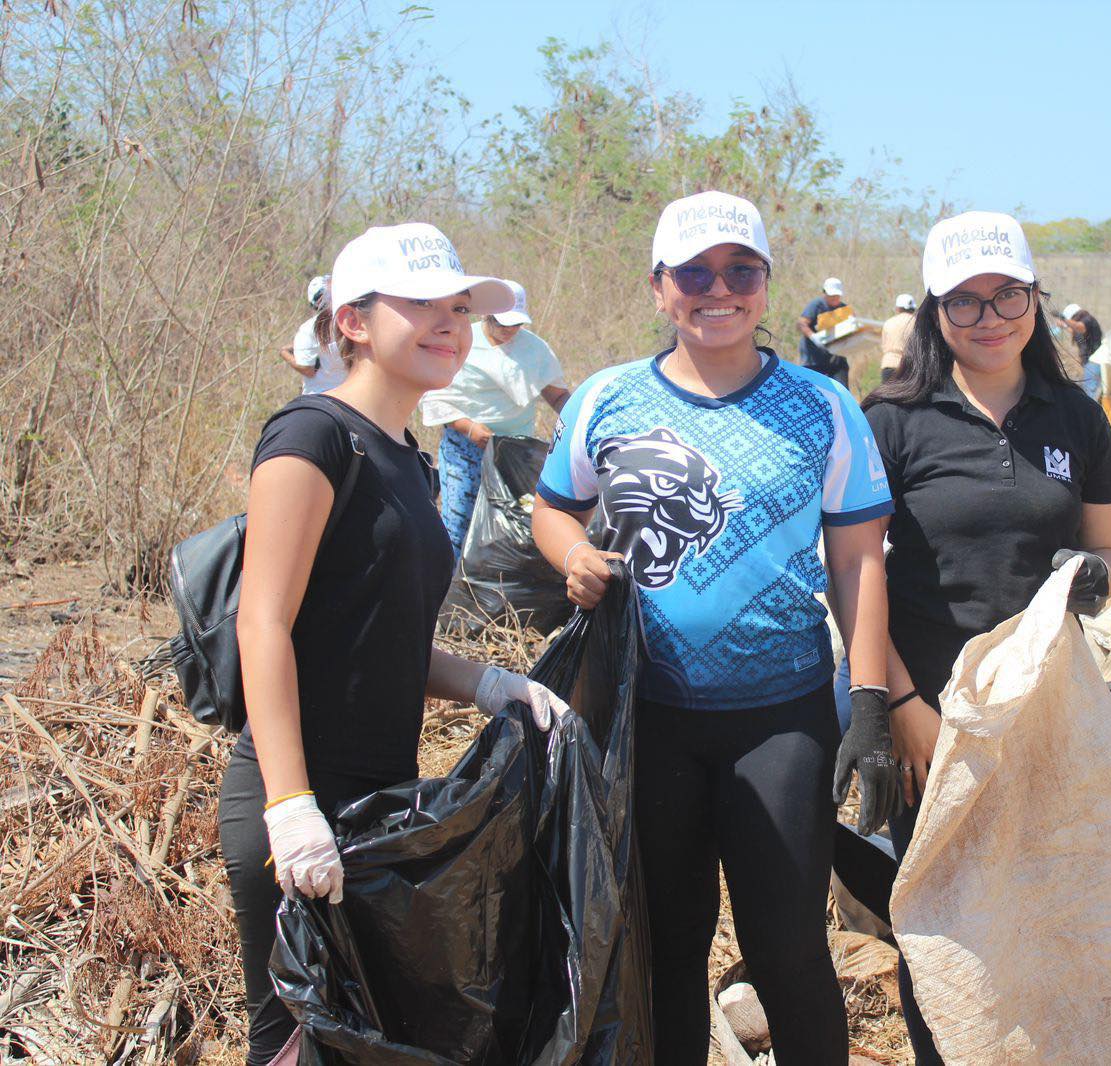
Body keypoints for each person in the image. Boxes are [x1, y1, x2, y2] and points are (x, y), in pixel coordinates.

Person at [529, 191, 895, 1066]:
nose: (717, 289)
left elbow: (858, 562)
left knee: (789, 953)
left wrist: (872, 703)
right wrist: (572, 553)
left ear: (767, 286)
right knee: (667, 949)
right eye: (693, 273)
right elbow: (550, 509)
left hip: (782, 719)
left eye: (740, 271)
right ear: (659, 288)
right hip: (647, 716)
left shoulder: (823, 407)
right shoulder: (605, 399)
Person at [219, 223, 567, 1065]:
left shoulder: (409, 463)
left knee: (357, 1042)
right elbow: (262, 622)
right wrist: (290, 807)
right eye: (420, 306)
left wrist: (491, 684)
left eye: (457, 308)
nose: (448, 324)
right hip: (298, 792)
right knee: (294, 1042)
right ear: (354, 323)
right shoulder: (312, 438)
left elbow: (379, 640)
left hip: (380, 794)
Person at [863, 211, 1111, 1065]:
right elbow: (855, 574)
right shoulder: (894, 421)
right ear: (936, 313)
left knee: (1045, 897)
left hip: (1045, 704)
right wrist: (900, 705)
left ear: (1035, 299)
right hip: (931, 713)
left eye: (1007, 294)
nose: (990, 317)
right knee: (946, 919)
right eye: (965, 301)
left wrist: (1094, 576)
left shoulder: (1076, 418)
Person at [421, 279, 570, 558]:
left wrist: (578, 417)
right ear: (487, 315)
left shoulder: (535, 350)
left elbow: (557, 395)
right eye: (503, 324)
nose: (509, 331)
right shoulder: (461, 342)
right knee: (459, 521)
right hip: (467, 447)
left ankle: (496, 585)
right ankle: (450, 587)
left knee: (512, 521)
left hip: (514, 451)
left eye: (516, 325)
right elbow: (438, 397)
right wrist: (469, 428)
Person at [278, 274, 348, 395]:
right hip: (350, 394)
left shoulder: (309, 329)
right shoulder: (351, 323)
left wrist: (284, 353)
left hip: (320, 395)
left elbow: (308, 369)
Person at [798, 275, 852, 384]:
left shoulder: (844, 309)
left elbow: (852, 326)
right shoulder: (816, 305)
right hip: (814, 359)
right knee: (814, 391)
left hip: (836, 358)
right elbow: (802, 323)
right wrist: (814, 337)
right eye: (831, 295)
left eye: (836, 295)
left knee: (841, 389)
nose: (834, 298)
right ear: (825, 293)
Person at [1056, 302, 1104, 400]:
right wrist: (1064, 326)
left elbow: (1079, 327)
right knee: (1091, 390)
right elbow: (1075, 330)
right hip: (1089, 361)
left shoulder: (1087, 319)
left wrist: (1065, 320)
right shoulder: (1084, 321)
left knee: (1091, 392)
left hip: (1094, 361)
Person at [880, 292, 916, 383]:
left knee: (888, 396)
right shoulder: (917, 322)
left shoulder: (888, 323)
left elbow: (884, 346)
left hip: (888, 365)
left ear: (898, 308)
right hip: (908, 368)